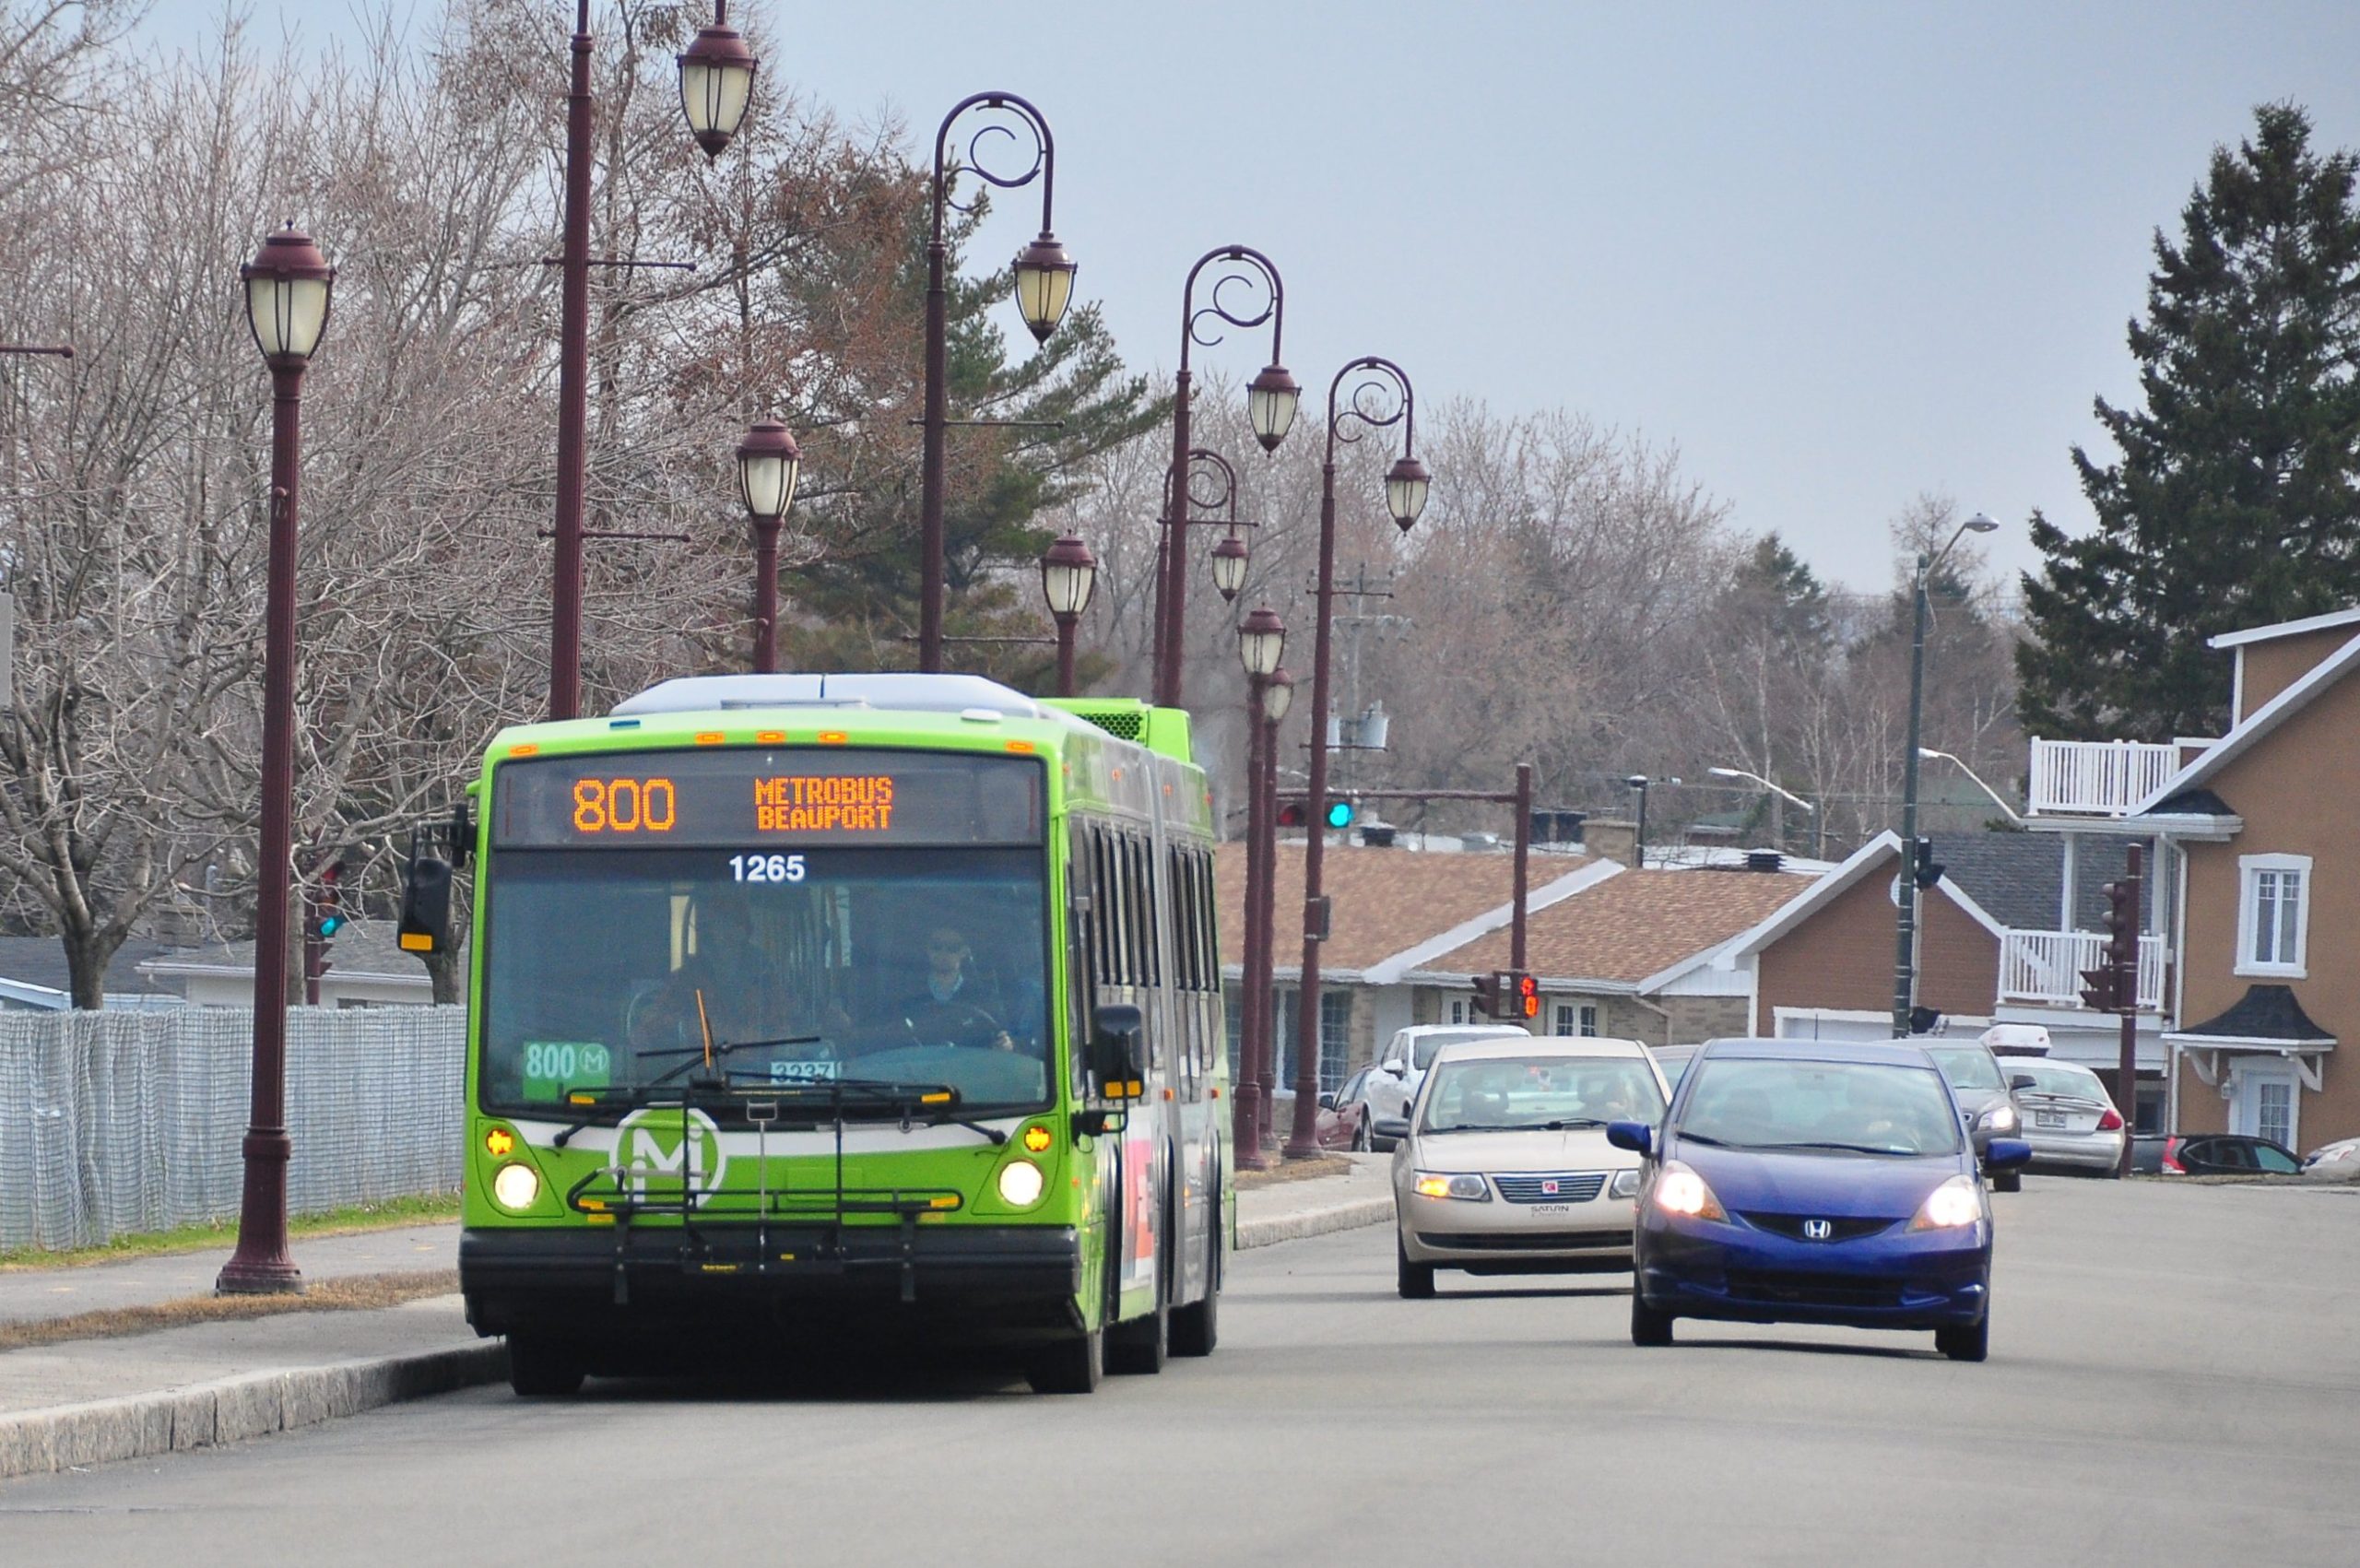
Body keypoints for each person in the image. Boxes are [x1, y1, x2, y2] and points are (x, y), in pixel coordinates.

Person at [899, 925, 1018, 1052]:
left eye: (952, 948)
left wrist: (1006, 1045)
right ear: (927, 950)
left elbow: (1002, 1038)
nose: (944, 952)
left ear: (964, 952)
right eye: (937, 946)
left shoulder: (985, 997)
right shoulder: (908, 994)